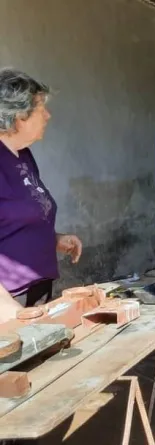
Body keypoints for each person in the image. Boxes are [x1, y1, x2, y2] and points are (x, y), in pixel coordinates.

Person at [0, 68, 83, 324]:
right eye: (40, 108)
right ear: (18, 117)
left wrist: (53, 238)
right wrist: (7, 308)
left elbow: (18, 216)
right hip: (8, 301)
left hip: (36, 288)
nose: (48, 115)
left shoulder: (22, 154)